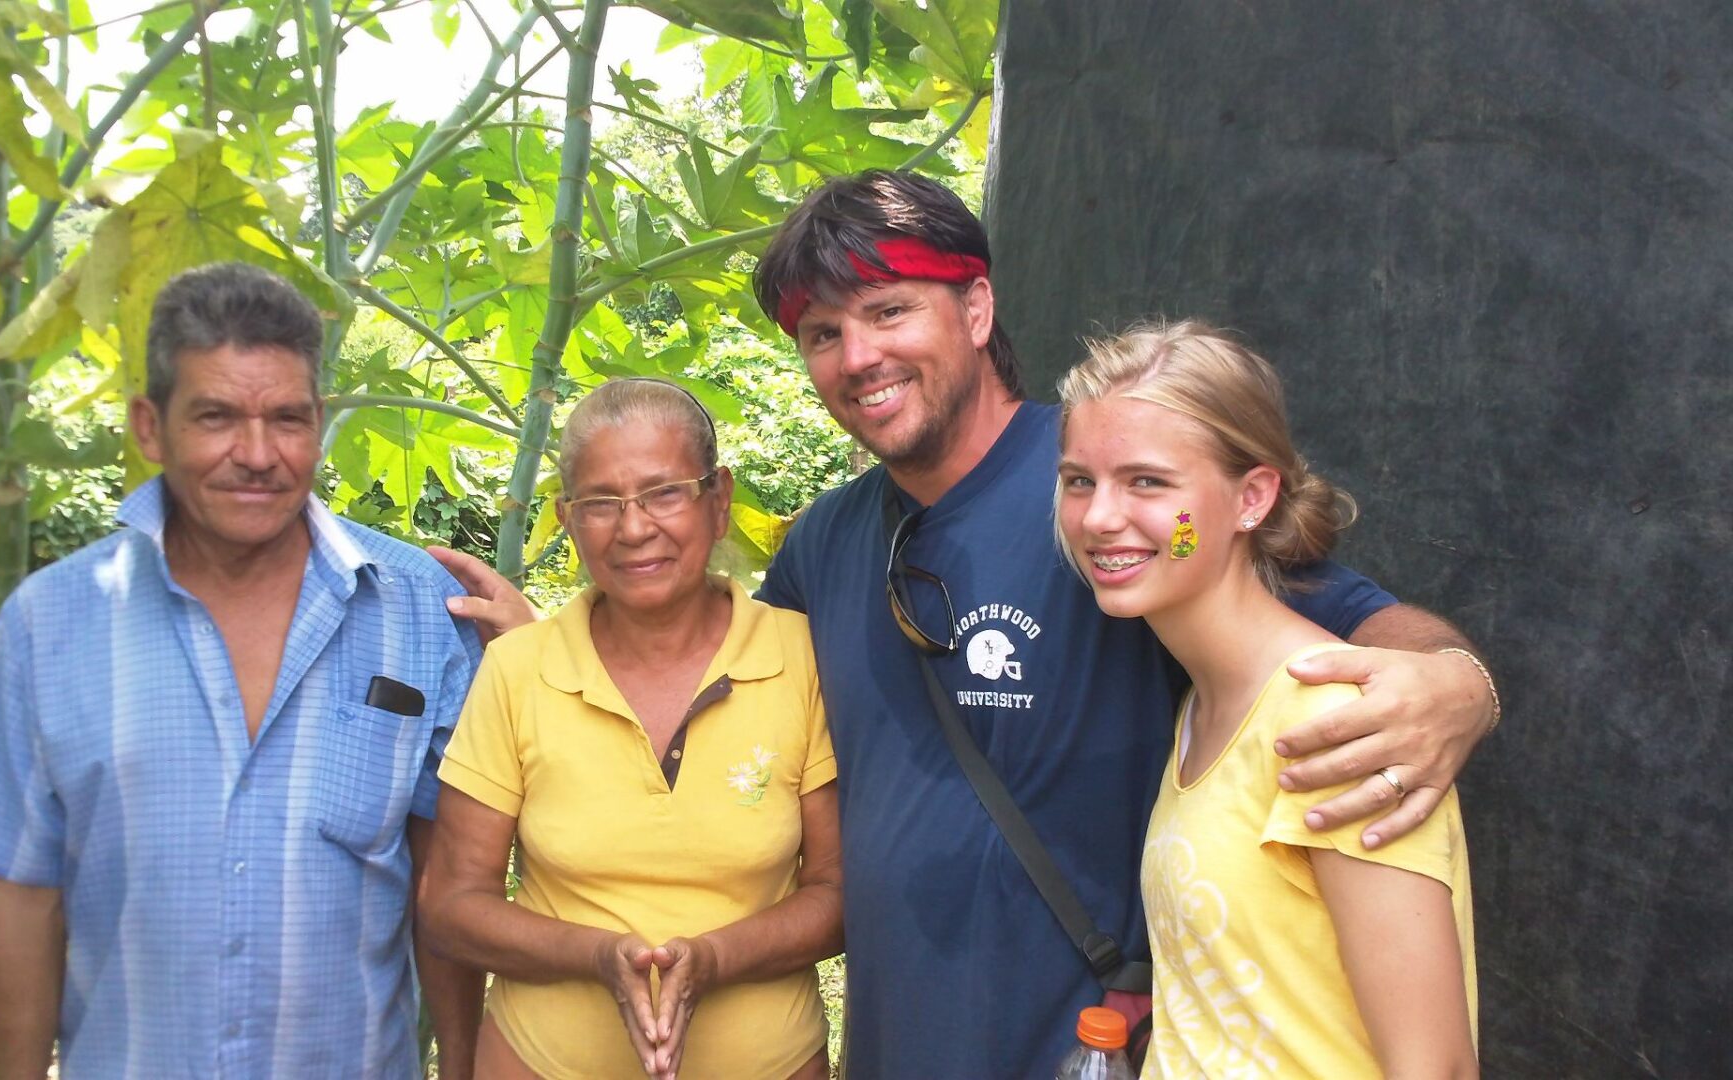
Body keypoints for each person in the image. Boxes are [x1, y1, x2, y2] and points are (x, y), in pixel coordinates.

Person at [431, 171, 1500, 1079]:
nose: (858, 356)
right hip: (899, 1039)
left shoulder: (1111, 499)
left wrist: (1451, 681)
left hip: (1083, 1043)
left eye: (892, 310)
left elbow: (1327, 609)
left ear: (976, 312)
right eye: (823, 333)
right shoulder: (828, 544)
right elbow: (721, 678)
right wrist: (564, 641)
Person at [0, 263, 486, 1079]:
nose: (256, 455)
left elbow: (445, 882)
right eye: (216, 416)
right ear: (150, 427)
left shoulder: (417, 610)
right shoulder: (54, 621)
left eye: (287, 419)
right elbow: (21, 892)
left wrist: (460, 1068)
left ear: (318, 423)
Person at [1056, 320, 1477, 1077]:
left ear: (1251, 497)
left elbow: (1434, 1065)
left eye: (1147, 481)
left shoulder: (1335, 718)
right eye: (1079, 479)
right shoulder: (1206, 705)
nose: (1098, 517)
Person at [416, 378, 842, 1080]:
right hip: (540, 1061)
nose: (634, 527)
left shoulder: (800, 655)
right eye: (601, 503)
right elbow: (451, 905)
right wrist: (596, 956)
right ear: (568, 519)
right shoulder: (520, 668)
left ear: (719, 498)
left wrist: (713, 960)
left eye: (664, 492)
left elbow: (838, 892)